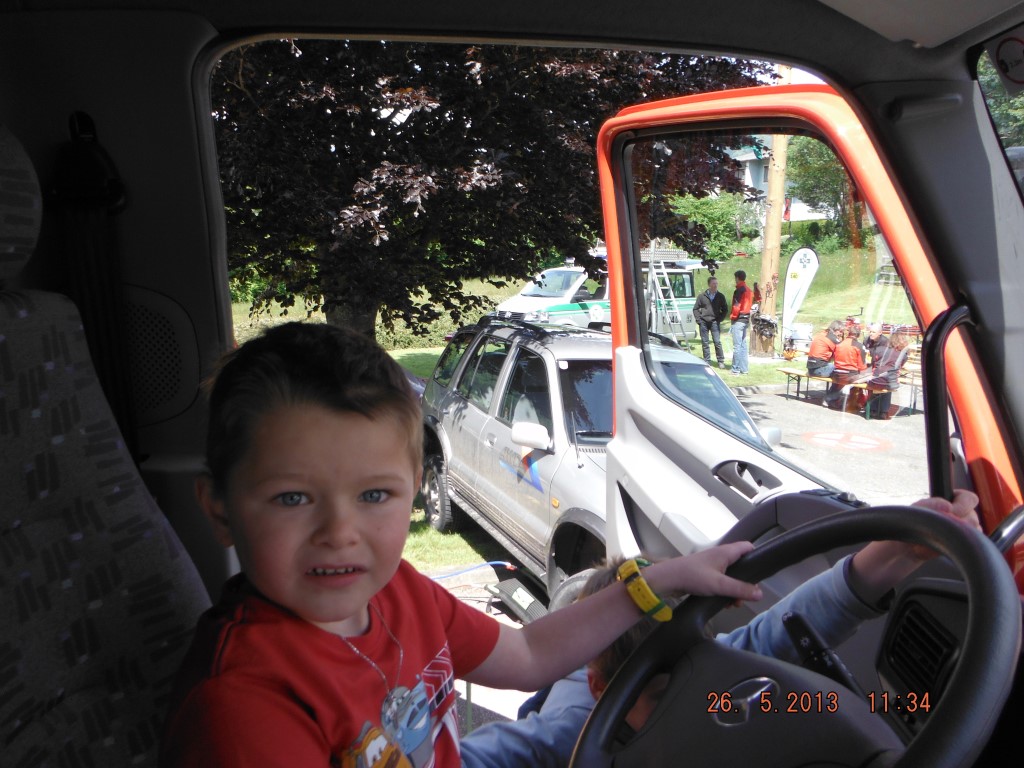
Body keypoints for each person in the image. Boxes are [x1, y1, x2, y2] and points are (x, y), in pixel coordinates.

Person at [160, 321, 762, 768]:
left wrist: (656, 582)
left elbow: (528, 654)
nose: (339, 532)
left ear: (416, 489)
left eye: (374, 495)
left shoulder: (400, 593)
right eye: (292, 497)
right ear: (220, 509)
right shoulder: (241, 707)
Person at [459, 490, 981, 767]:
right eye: (659, 694)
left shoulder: (701, 671)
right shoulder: (564, 731)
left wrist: (893, 553)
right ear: (600, 690)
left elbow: (786, 626)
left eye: (693, 676)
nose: (685, 701)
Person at [864, 329, 911, 420]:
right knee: (888, 383)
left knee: (879, 383)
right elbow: (900, 366)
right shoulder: (903, 355)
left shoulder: (879, 349)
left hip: (875, 379)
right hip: (889, 381)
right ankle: (883, 412)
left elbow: (874, 362)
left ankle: (873, 410)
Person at [824, 325, 869, 408]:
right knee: (868, 376)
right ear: (858, 335)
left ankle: (831, 399)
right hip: (850, 375)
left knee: (840, 379)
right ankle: (861, 402)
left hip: (837, 374)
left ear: (849, 333)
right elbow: (862, 367)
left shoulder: (839, 344)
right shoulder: (859, 346)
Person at [694, 275, 728, 368]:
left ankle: (720, 361)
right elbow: (695, 308)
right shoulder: (702, 296)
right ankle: (707, 361)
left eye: (716, 283)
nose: (715, 285)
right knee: (705, 342)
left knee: (717, 342)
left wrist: (719, 320)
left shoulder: (720, 296)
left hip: (714, 322)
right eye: (713, 283)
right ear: (709, 284)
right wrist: (699, 320)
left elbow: (725, 309)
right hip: (703, 322)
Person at [730, 270, 753, 376]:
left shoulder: (739, 290)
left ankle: (735, 369)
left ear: (737, 278)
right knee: (743, 345)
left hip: (738, 319)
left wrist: (733, 317)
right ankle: (744, 369)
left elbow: (737, 306)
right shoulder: (748, 289)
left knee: (737, 346)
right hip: (746, 319)